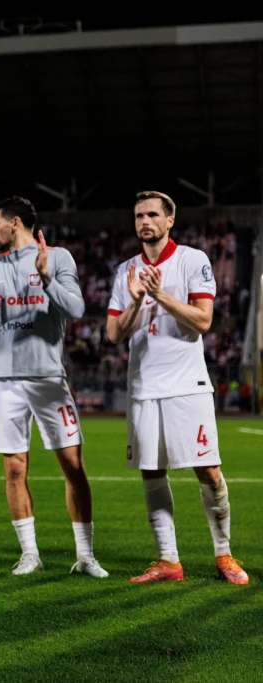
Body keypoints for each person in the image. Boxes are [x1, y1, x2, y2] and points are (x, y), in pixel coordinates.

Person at [106, 191, 248, 584]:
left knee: (208, 470)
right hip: (144, 385)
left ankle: (224, 555)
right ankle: (168, 560)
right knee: (151, 470)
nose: (145, 221)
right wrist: (135, 301)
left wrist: (160, 295)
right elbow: (115, 333)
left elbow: (203, 321)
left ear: (170, 220)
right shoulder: (126, 271)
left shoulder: (192, 260)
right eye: (139, 215)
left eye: (153, 214)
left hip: (187, 384)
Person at [0, 196, 105, 578]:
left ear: (15, 223)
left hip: (47, 376)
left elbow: (76, 309)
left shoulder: (57, 258)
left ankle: (86, 555)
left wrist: (45, 278)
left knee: (72, 464)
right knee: (14, 468)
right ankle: (30, 553)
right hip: (6, 380)